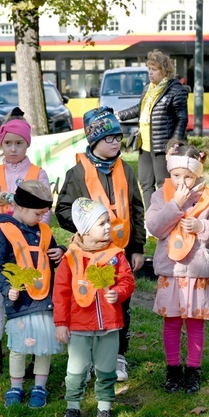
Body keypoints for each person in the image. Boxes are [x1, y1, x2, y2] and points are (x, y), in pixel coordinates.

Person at [55, 107, 145, 382]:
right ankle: (91, 356)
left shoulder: (126, 170)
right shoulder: (77, 173)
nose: (116, 142)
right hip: (88, 254)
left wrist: (138, 247)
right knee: (88, 301)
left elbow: (137, 208)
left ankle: (117, 355)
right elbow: (62, 210)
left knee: (119, 302)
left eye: (118, 136)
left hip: (120, 252)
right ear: (94, 141)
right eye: (109, 138)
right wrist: (85, 228)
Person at [0, 109, 56, 378]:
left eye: (18, 143)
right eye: (8, 143)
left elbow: (43, 211)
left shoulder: (37, 172)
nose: (12, 148)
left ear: (27, 144)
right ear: (1, 143)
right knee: (0, 300)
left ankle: (34, 351)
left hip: (31, 251)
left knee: (34, 299)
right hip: (3, 249)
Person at [145, 140, 209, 395]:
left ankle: (192, 370)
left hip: (196, 271)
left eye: (188, 177)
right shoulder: (160, 196)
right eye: (176, 175)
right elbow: (155, 227)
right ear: (169, 173)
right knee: (171, 323)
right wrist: (175, 206)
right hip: (171, 271)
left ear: (197, 174)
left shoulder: (207, 198)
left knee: (195, 323)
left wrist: (203, 227)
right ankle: (172, 370)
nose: (182, 181)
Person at [54, 198, 136, 417]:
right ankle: (72, 408)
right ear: (85, 229)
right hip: (79, 326)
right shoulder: (70, 258)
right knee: (77, 370)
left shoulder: (116, 255)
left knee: (106, 369)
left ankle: (104, 408)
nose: (108, 227)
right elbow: (60, 293)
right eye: (102, 223)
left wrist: (118, 293)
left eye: (108, 221)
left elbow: (127, 280)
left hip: (109, 325)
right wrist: (61, 323)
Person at [0, 182, 64, 408]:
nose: (41, 218)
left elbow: (49, 258)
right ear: (20, 207)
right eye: (37, 213)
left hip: (44, 300)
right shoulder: (0, 232)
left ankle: (40, 385)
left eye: (43, 214)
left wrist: (60, 252)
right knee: (19, 346)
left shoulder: (44, 232)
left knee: (44, 345)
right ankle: (16, 386)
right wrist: (5, 288)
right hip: (19, 301)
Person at [116, 50, 189, 209]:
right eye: (149, 69)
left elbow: (182, 118)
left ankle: (166, 215)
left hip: (163, 146)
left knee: (163, 183)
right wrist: (120, 115)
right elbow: (140, 108)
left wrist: (173, 144)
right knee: (145, 182)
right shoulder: (148, 88)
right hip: (145, 144)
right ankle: (151, 216)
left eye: (154, 69)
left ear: (165, 70)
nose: (150, 73)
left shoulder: (176, 89)